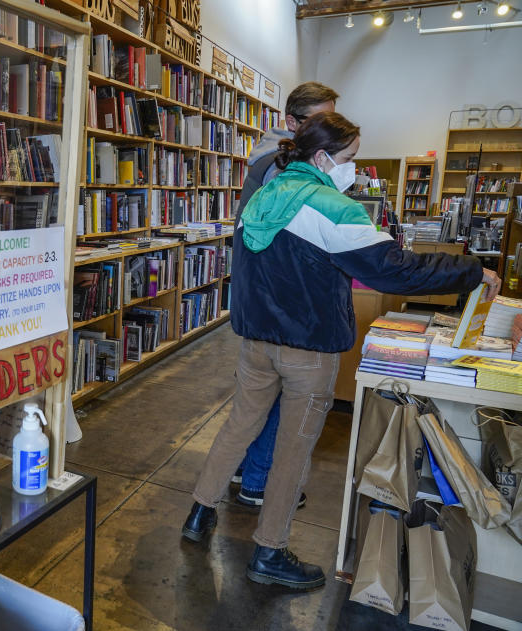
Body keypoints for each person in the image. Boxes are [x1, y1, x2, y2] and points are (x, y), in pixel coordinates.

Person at [181, 112, 500, 591]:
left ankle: (199, 513)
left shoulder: (262, 195)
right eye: (350, 158)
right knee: (294, 448)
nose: (355, 168)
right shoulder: (333, 208)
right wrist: (470, 271)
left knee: (238, 426)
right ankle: (269, 549)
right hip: (308, 349)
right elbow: (395, 271)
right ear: (323, 156)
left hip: (256, 343)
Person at [232, 82, 340, 509]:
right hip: (281, 300)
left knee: (258, 395)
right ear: (292, 124)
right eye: (318, 122)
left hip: (263, 298)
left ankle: (245, 470)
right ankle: (258, 482)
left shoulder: (273, 159)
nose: (326, 132)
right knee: (281, 394)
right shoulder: (282, 167)